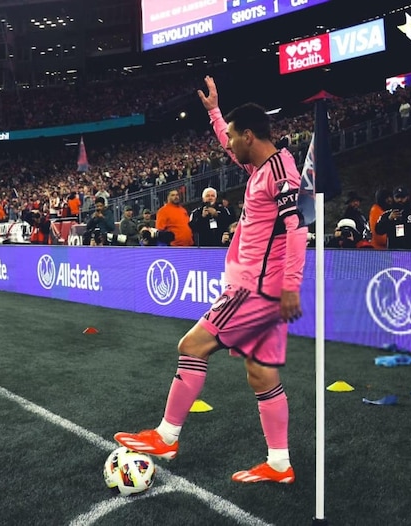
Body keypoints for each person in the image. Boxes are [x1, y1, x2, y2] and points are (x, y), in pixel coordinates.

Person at [115, 76, 307, 484]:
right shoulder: (261, 164)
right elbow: (228, 141)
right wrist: (215, 113)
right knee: (261, 373)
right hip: (264, 288)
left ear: (251, 136)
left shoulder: (279, 172)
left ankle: (167, 435)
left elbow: (296, 229)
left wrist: (292, 284)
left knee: (191, 346)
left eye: (236, 138)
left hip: (254, 289)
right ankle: (279, 464)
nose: (229, 145)